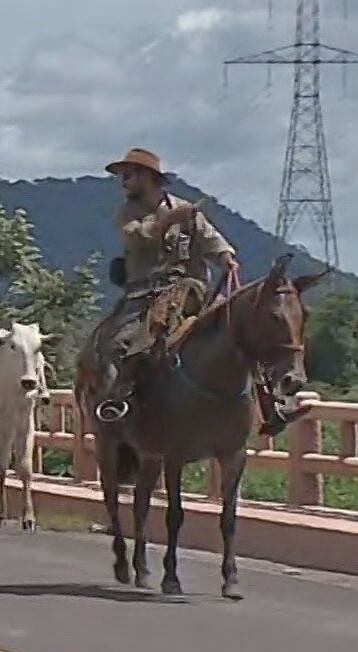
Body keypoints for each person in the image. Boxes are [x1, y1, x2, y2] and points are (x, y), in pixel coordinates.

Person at [92, 146, 305, 436]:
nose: (124, 181)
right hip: (145, 295)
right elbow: (137, 238)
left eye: (129, 175)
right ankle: (120, 399)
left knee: (238, 334)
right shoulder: (127, 213)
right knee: (123, 342)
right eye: (123, 175)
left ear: (148, 177)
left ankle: (271, 405)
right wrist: (167, 221)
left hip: (193, 292)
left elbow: (210, 238)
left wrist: (225, 257)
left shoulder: (187, 211)